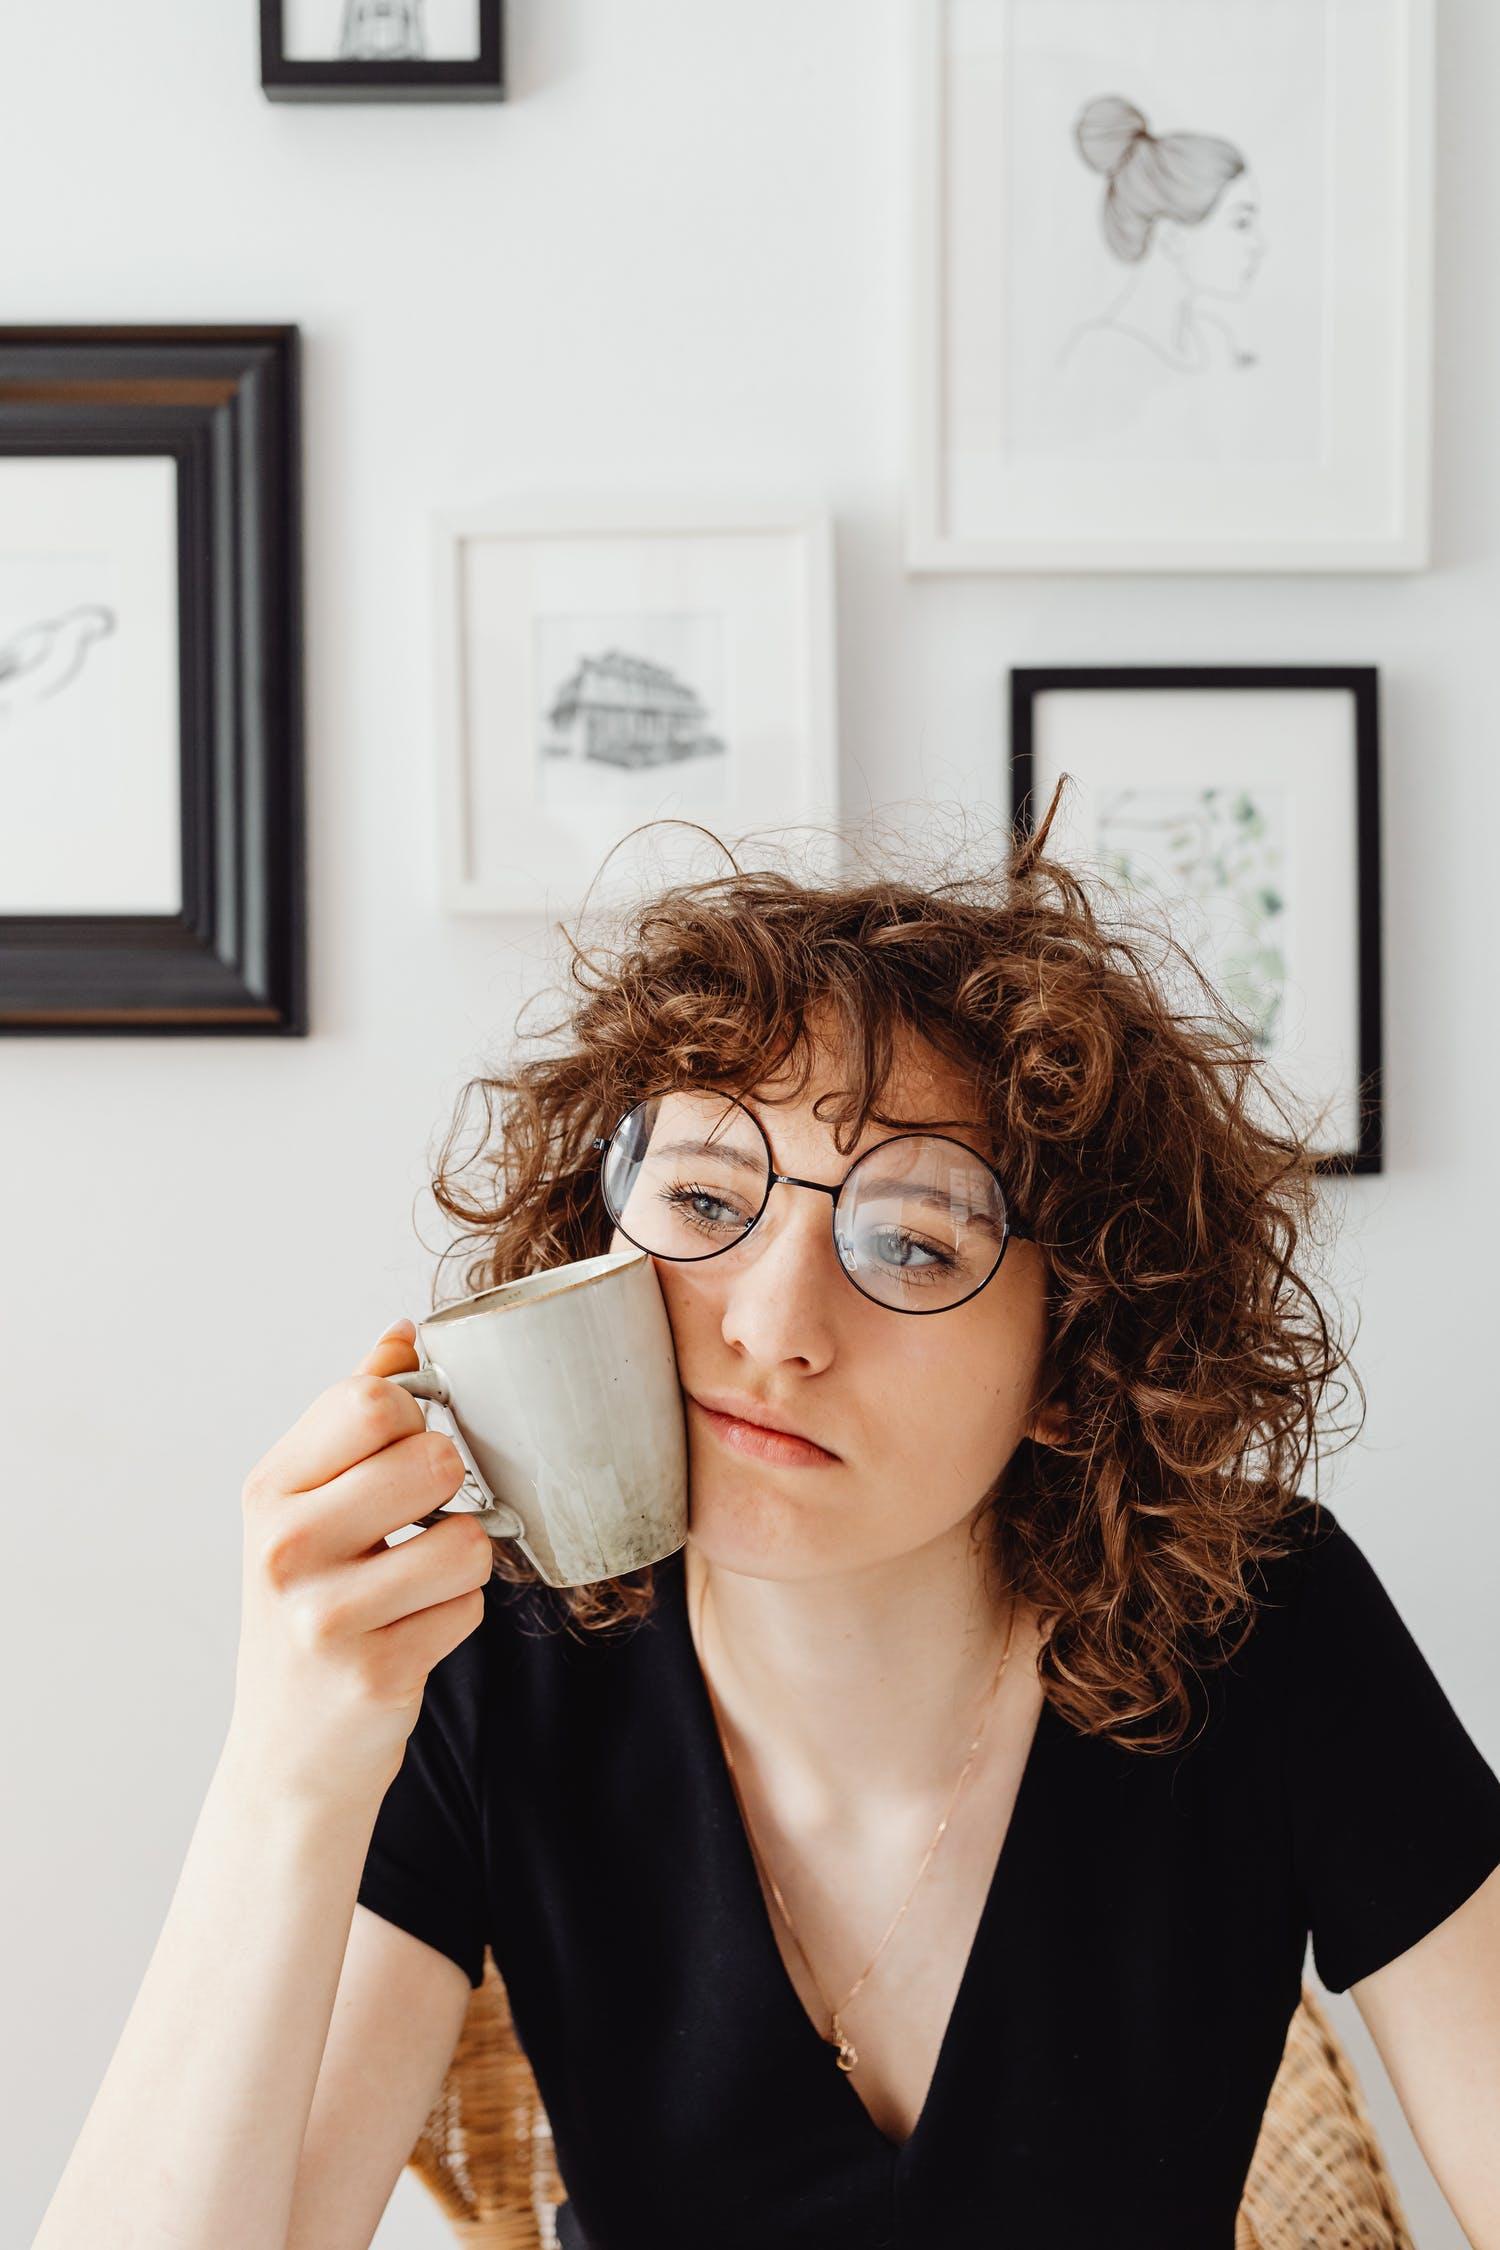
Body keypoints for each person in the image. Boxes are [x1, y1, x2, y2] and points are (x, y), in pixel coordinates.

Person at [35, 788, 1500, 2248]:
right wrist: (288, 1765)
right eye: (705, 1199)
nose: (773, 1327)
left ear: (1076, 1361)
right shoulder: (488, 1652)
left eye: (913, 1242)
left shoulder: (1258, 1622)